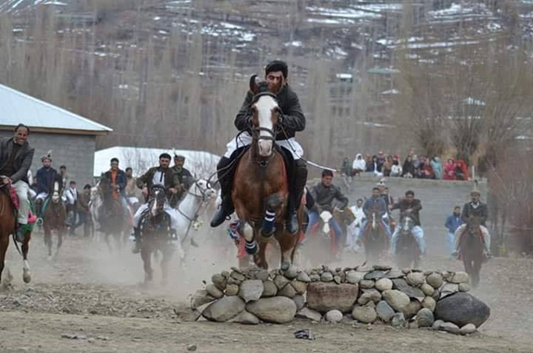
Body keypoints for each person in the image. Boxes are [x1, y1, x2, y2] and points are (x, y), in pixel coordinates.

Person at [210, 60, 307, 234]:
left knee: (300, 168)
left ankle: (291, 210)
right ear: (265, 77)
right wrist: (252, 121)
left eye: (278, 78)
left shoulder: (290, 96)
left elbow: (300, 122)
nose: (274, 81)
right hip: (254, 135)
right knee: (223, 163)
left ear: (284, 79)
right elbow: (239, 119)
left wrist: (281, 119)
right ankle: (226, 204)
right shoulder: (254, 92)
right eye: (271, 77)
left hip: (282, 139)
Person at [131, 153, 181, 254]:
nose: (164, 163)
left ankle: (171, 241)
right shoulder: (152, 170)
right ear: (159, 161)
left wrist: (175, 189)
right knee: (136, 217)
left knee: (175, 219)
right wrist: (143, 187)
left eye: (166, 161)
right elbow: (139, 180)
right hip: (150, 200)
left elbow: (178, 186)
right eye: (162, 161)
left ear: (169, 162)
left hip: (165, 201)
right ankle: (137, 242)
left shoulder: (172, 173)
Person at [0, 124, 35, 242]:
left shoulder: (29, 150)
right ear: (15, 133)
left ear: (27, 136)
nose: (22, 137)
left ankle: (20, 226)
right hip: (0, 177)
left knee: (24, 198)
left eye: (25, 135)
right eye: (20, 134)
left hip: (17, 180)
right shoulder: (3, 143)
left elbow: (24, 169)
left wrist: (11, 179)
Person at [306, 170, 349, 250]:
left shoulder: (334, 189)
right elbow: (313, 202)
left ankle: (336, 249)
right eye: (326, 179)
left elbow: (345, 200)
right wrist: (320, 209)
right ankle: (304, 247)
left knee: (338, 231)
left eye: (330, 179)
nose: (328, 181)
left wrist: (338, 207)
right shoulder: (315, 188)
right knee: (308, 227)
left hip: (328, 214)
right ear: (322, 178)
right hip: (316, 212)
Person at [452, 188, 491, 259]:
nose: (474, 197)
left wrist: (477, 221)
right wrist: (469, 221)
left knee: (486, 233)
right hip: (468, 224)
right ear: (471, 197)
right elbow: (463, 216)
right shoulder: (467, 205)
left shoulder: (483, 206)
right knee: (458, 230)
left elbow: (485, 216)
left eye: (476, 196)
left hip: (480, 224)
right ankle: (455, 250)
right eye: (473, 195)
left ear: (479, 197)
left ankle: (487, 251)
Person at [389, 190, 425, 257]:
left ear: (413, 197)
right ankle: (392, 253)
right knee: (394, 237)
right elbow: (395, 206)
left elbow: (419, 206)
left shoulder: (416, 202)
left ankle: (422, 252)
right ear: (406, 197)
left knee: (420, 237)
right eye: (408, 197)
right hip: (402, 224)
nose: (409, 199)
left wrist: (412, 209)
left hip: (414, 225)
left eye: (411, 197)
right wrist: (391, 207)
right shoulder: (402, 202)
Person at [35, 151, 62, 222]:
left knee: (63, 201)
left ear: (50, 162)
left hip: (53, 192)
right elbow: (40, 183)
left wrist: (57, 190)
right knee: (38, 201)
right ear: (43, 163)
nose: (47, 163)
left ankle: (64, 218)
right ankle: (39, 217)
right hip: (43, 192)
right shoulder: (39, 171)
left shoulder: (54, 171)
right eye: (45, 162)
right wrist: (47, 190)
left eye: (48, 161)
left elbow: (57, 181)